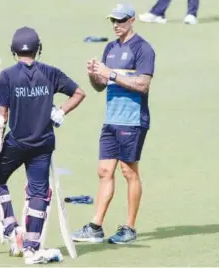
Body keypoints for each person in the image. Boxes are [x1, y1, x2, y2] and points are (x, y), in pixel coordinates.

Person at [0, 26, 86, 264]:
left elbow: (1, 116)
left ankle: (11, 229)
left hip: (17, 142)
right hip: (43, 144)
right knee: (39, 193)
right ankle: (31, 249)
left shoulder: (7, 75)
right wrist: (61, 112)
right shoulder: (50, 72)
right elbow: (79, 93)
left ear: (13, 50)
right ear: (39, 49)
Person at [71, 4, 155, 244]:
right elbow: (100, 86)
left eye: (121, 20)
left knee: (129, 172)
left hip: (133, 119)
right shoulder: (110, 47)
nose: (116, 25)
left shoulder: (143, 49)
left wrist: (112, 74)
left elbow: (143, 85)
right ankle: (95, 227)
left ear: (132, 20)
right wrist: (94, 75)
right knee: (104, 171)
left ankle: (129, 227)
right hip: (111, 120)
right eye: (113, 21)